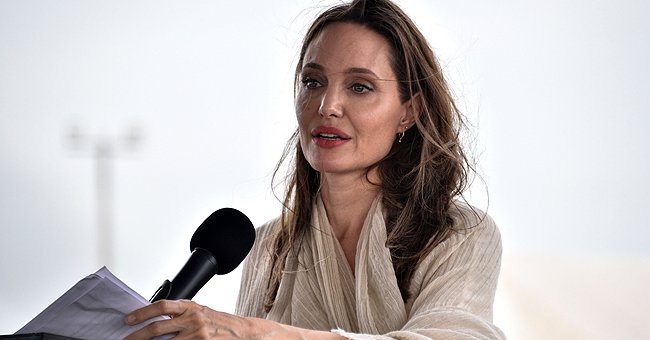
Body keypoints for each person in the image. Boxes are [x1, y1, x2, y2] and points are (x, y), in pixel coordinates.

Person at [125, 0, 505, 338]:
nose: (327, 105)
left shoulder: (458, 236)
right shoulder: (269, 249)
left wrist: (254, 333)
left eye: (360, 87)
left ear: (409, 111)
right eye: (313, 81)